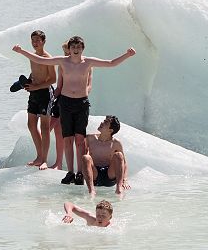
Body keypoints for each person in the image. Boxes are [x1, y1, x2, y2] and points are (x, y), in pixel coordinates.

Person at [12, 36, 136, 185]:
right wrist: (21, 51)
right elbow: (41, 60)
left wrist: (127, 55)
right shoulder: (63, 61)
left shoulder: (88, 62)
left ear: (82, 49)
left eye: (78, 47)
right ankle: (70, 172)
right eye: (73, 47)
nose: (76, 50)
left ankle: (79, 172)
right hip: (66, 103)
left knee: (79, 140)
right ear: (69, 49)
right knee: (67, 139)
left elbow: (111, 63)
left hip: (81, 104)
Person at [48, 41, 93, 170]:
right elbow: (59, 85)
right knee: (58, 131)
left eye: (66, 51)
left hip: (79, 99)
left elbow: (89, 85)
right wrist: (52, 98)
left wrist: (83, 94)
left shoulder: (86, 64)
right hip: (63, 99)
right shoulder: (63, 63)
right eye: (65, 51)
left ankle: (77, 167)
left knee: (77, 136)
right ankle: (58, 162)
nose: (66, 53)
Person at [23, 30, 56, 170]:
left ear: (43, 41)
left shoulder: (48, 58)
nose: (35, 43)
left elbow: (53, 79)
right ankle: (39, 156)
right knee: (31, 125)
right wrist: (29, 82)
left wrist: (36, 87)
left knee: (44, 127)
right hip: (34, 93)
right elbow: (35, 72)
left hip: (45, 93)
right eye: (33, 40)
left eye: (38, 40)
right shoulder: (33, 56)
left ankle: (44, 160)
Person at [82, 115, 130, 195]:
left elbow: (124, 163)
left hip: (110, 175)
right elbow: (85, 161)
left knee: (119, 155)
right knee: (86, 157)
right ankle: (91, 190)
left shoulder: (116, 143)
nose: (102, 123)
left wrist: (125, 180)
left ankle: (119, 188)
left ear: (110, 130)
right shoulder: (90, 138)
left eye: (106, 122)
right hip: (95, 175)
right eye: (104, 121)